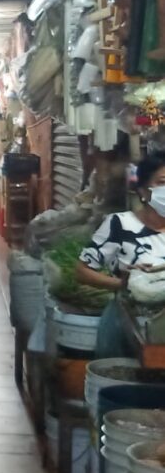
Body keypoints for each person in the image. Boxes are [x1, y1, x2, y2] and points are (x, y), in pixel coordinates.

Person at [76, 152, 165, 356]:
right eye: (162, 182)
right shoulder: (120, 224)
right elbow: (82, 271)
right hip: (129, 326)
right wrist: (126, 283)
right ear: (143, 191)